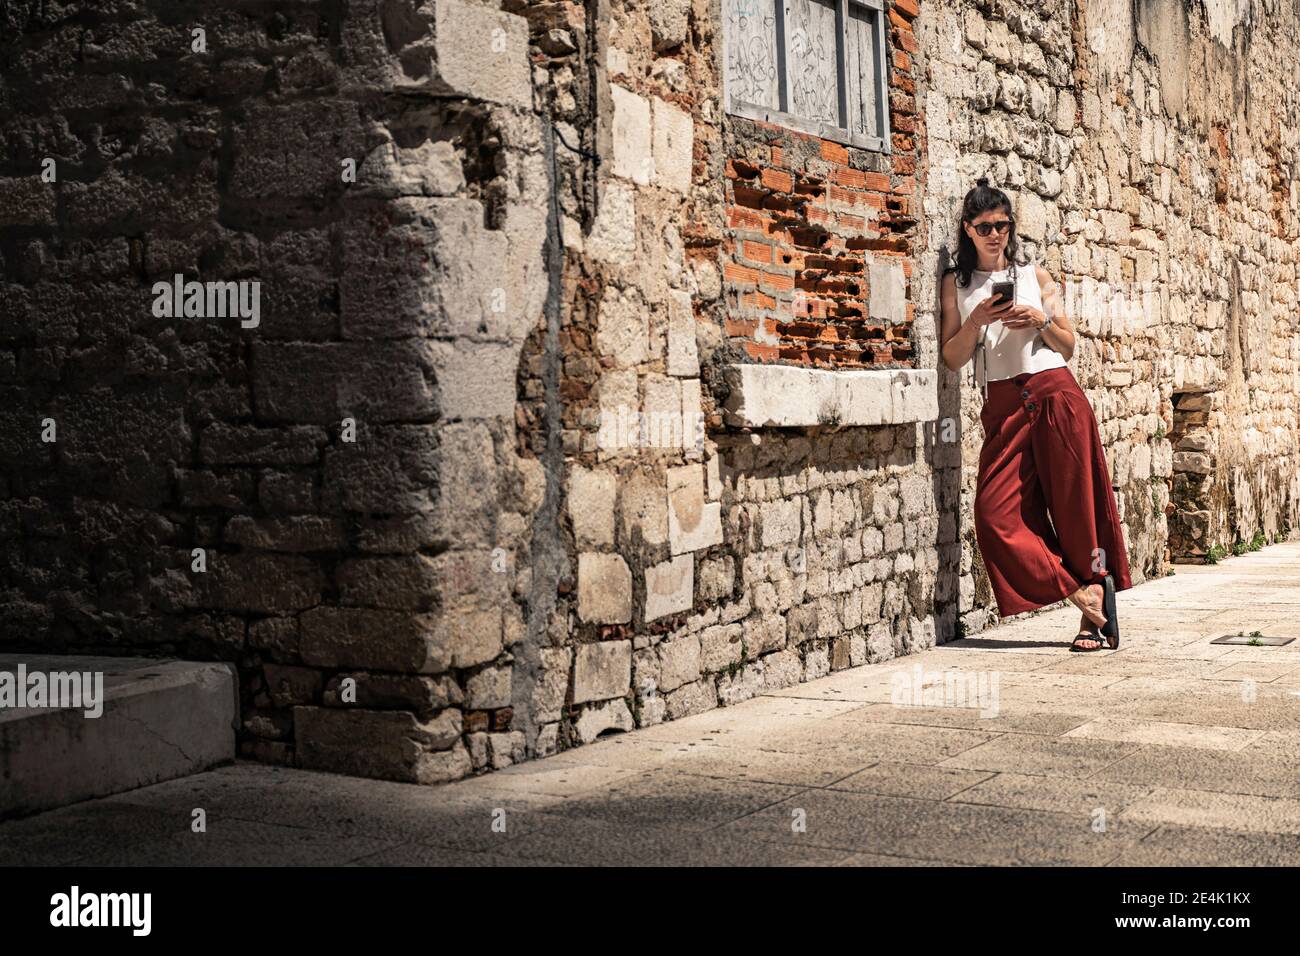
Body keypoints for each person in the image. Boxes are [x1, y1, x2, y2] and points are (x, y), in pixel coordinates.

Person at [938, 178, 1133, 651]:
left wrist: (1040, 321)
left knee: (1076, 510)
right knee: (994, 516)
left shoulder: (1035, 276)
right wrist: (977, 321)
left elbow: (1068, 345)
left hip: (1054, 394)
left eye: (1002, 225)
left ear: (1010, 228)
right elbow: (952, 357)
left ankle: (1091, 623)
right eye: (984, 226)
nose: (994, 234)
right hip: (1004, 407)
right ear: (968, 229)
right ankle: (1083, 591)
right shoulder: (956, 284)